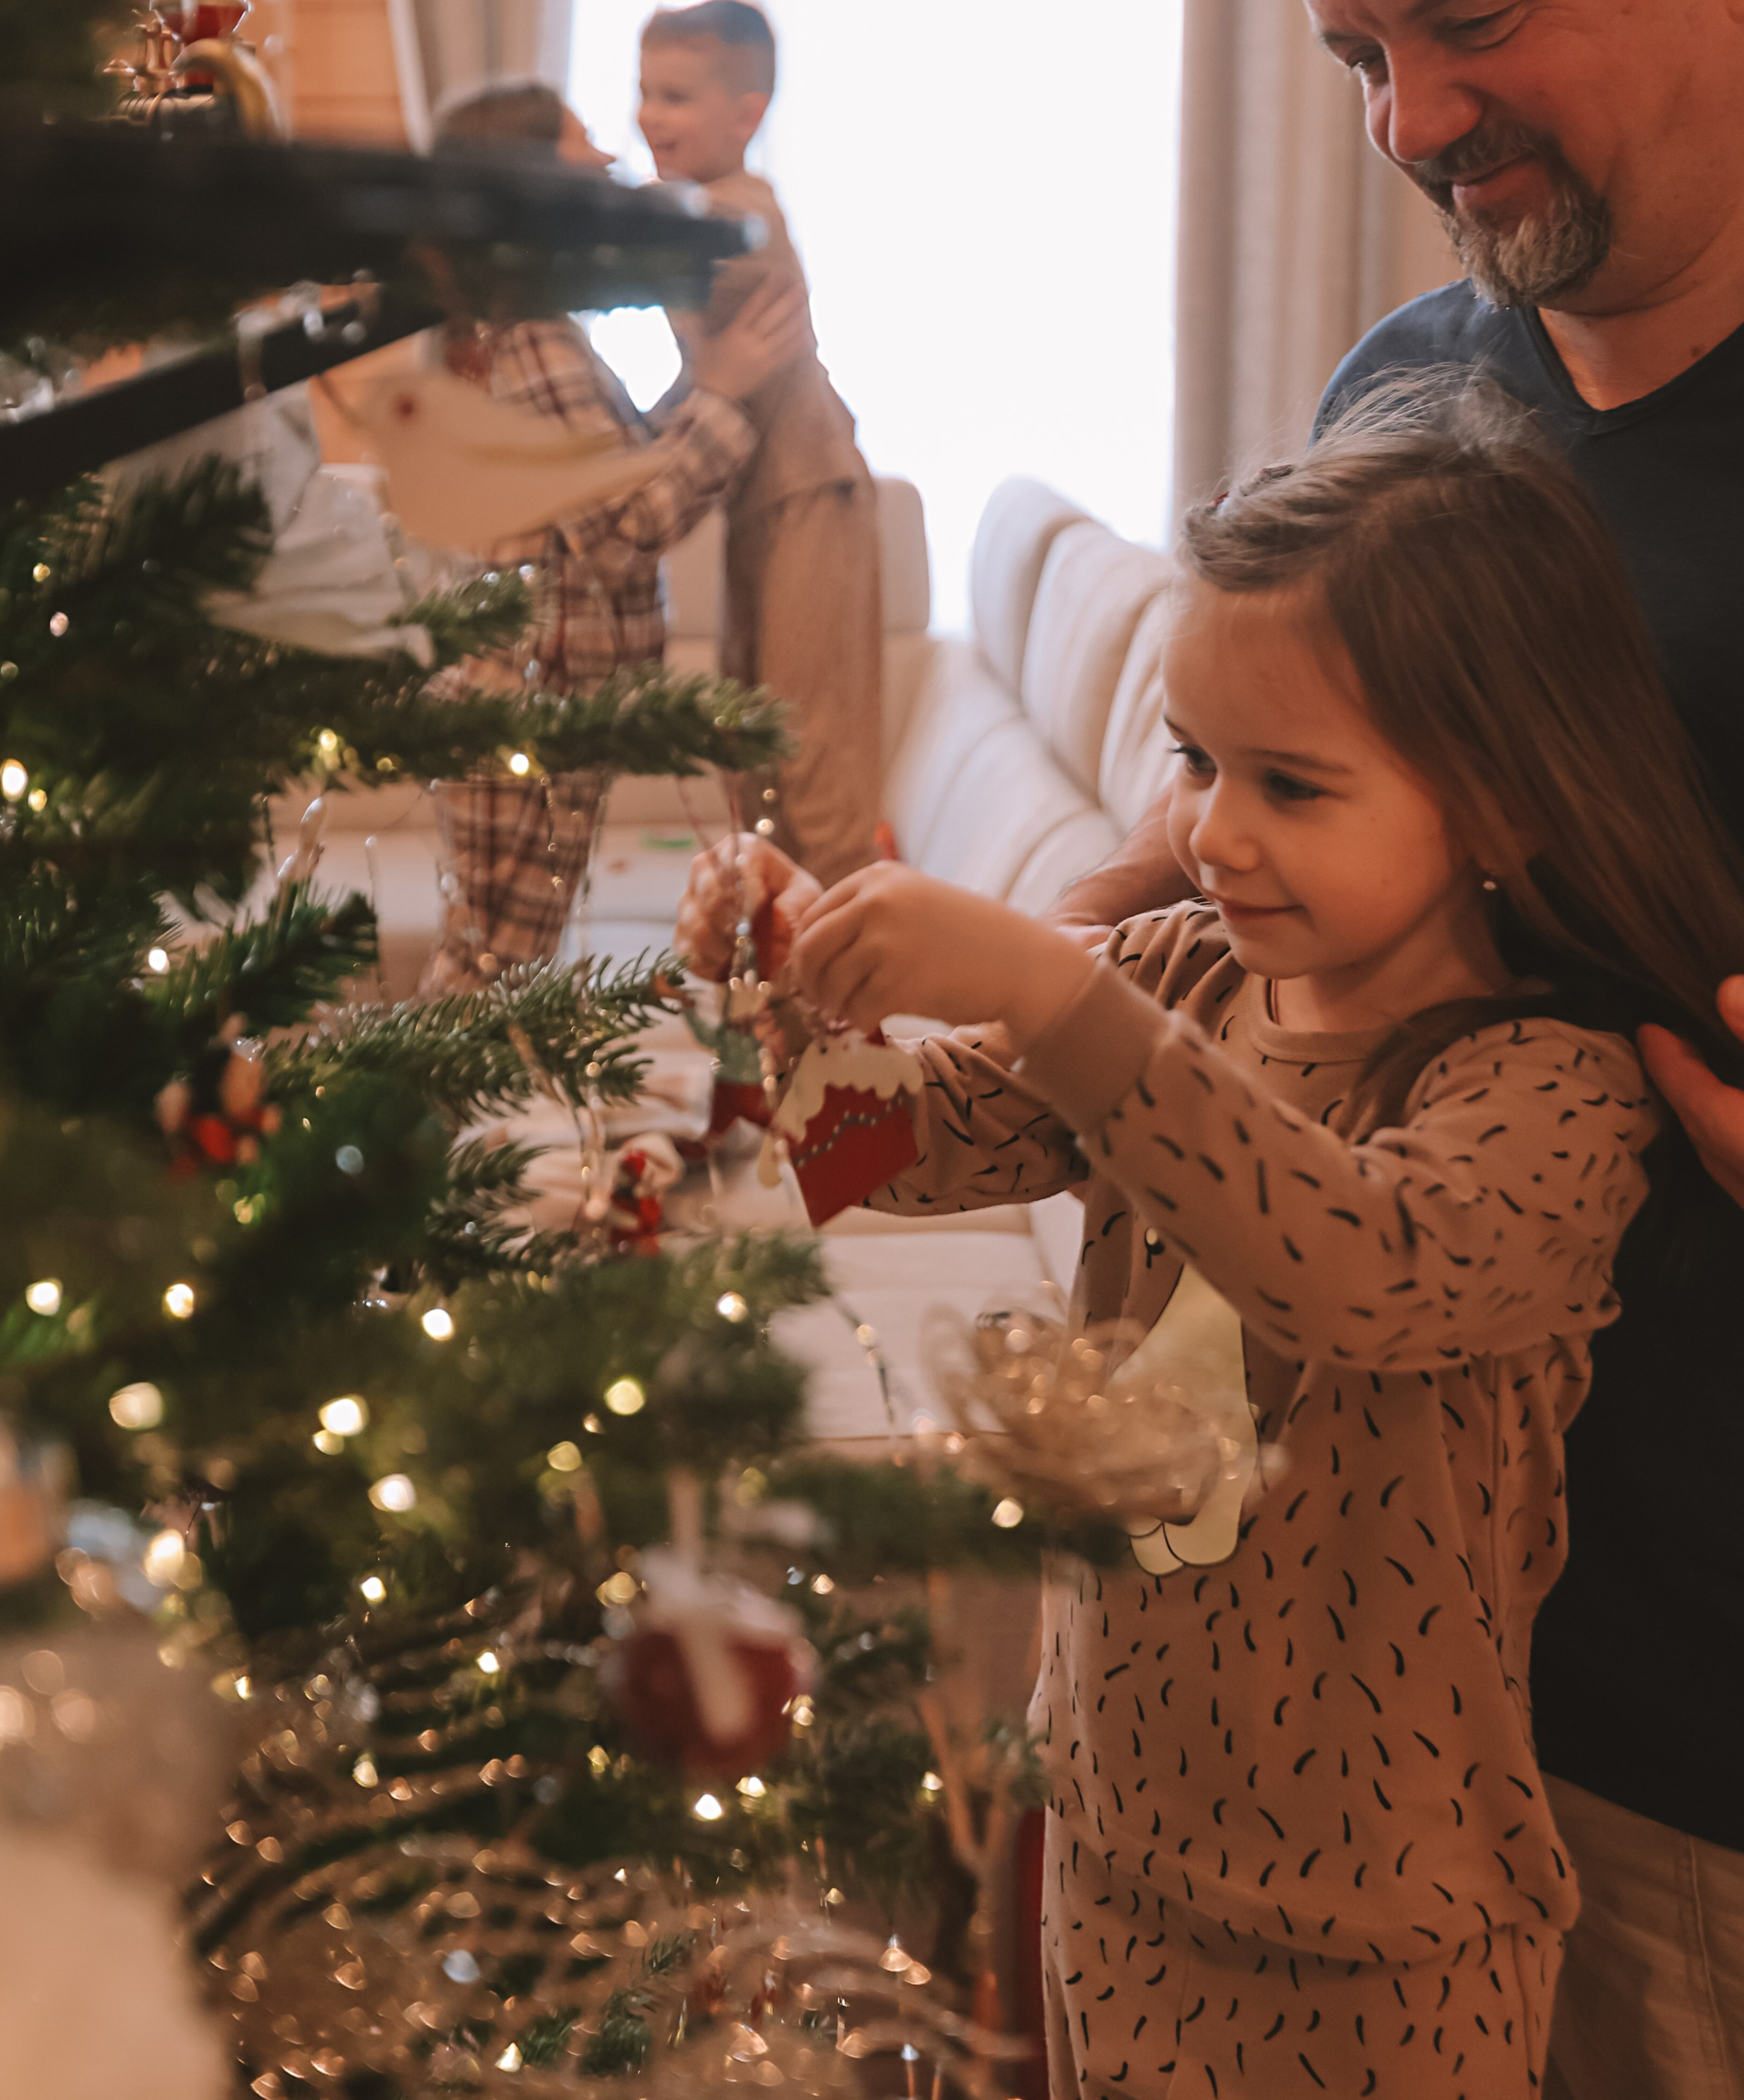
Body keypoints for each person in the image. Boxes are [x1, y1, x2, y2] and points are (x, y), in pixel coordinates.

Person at [677, 385, 1744, 2095]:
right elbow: (872, 1151)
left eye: (1291, 785)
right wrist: (774, 988)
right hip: (1111, 1853)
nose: (1211, 831)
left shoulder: (1547, 1087)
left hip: (1387, 1950)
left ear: (1498, 802)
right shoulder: (1180, 975)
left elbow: (1359, 1269)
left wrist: (1051, 990)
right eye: (1194, 761)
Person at [1052, 0, 1744, 2094]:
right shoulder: (1409, 390)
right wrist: (1107, 912)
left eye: (1478, 19)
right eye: (1361, 54)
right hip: (1321, 1718)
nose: (1416, 121)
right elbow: (1262, 801)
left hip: (1684, 1749)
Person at [416, 75, 811, 992]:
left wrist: (704, 381)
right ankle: (426, 1093)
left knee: (503, 959)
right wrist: (722, 394)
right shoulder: (529, 340)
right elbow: (626, 525)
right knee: (491, 968)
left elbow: (616, 473)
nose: (605, 156)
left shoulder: (531, 331)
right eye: (578, 143)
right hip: (527, 705)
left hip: (547, 706)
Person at [637, 0, 884, 885]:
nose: (648, 117)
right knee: (753, 748)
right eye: (643, 93)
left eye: (674, 96)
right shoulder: (693, 211)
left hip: (812, 493)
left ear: (747, 115)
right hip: (762, 502)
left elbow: (669, 251)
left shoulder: (743, 215)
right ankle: (778, 944)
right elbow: (709, 378)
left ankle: (854, 945)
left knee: (811, 753)